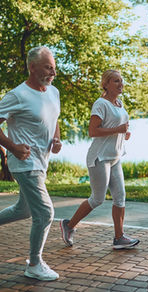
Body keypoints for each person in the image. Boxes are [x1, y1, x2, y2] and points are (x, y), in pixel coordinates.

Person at [0, 46, 62, 281]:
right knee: (45, 213)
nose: (53, 72)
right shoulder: (17, 95)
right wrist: (12, 147)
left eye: (54, 68)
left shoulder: (53, 92)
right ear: (32, 67)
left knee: (23, 210)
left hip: (41, 161)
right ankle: (34, 263)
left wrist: (56, 138)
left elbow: (54, 118)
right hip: (24, 162)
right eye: (48, 67)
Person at [60, 69, 139, 250]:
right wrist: (117, 130)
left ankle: (119, 238)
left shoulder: (119, 103)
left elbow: (117, 127)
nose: (121, 84)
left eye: (121, 80)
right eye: (116, 81)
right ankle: (68, 225)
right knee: (97, 199)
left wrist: (124, 133)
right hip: (99, 158)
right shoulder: (100, 104)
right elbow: (93, 131)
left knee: (120, 198)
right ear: (106, 84)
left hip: (115, 157)